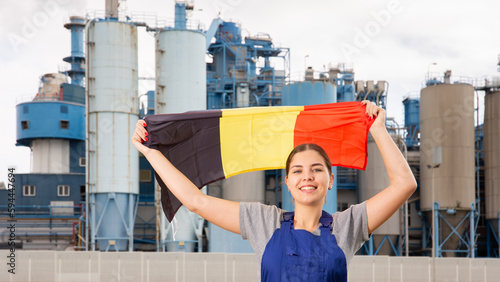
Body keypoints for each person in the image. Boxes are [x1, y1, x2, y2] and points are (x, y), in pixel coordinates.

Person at [131, 100, 417, 281]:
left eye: (317, 169)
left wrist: (378, 129)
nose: (308, 176)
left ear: (330, 180)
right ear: (288, 182)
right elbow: (196, 201)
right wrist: (150, 153)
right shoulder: (264, 221)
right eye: (298, 170)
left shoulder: (348, 225)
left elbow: (405, 185)